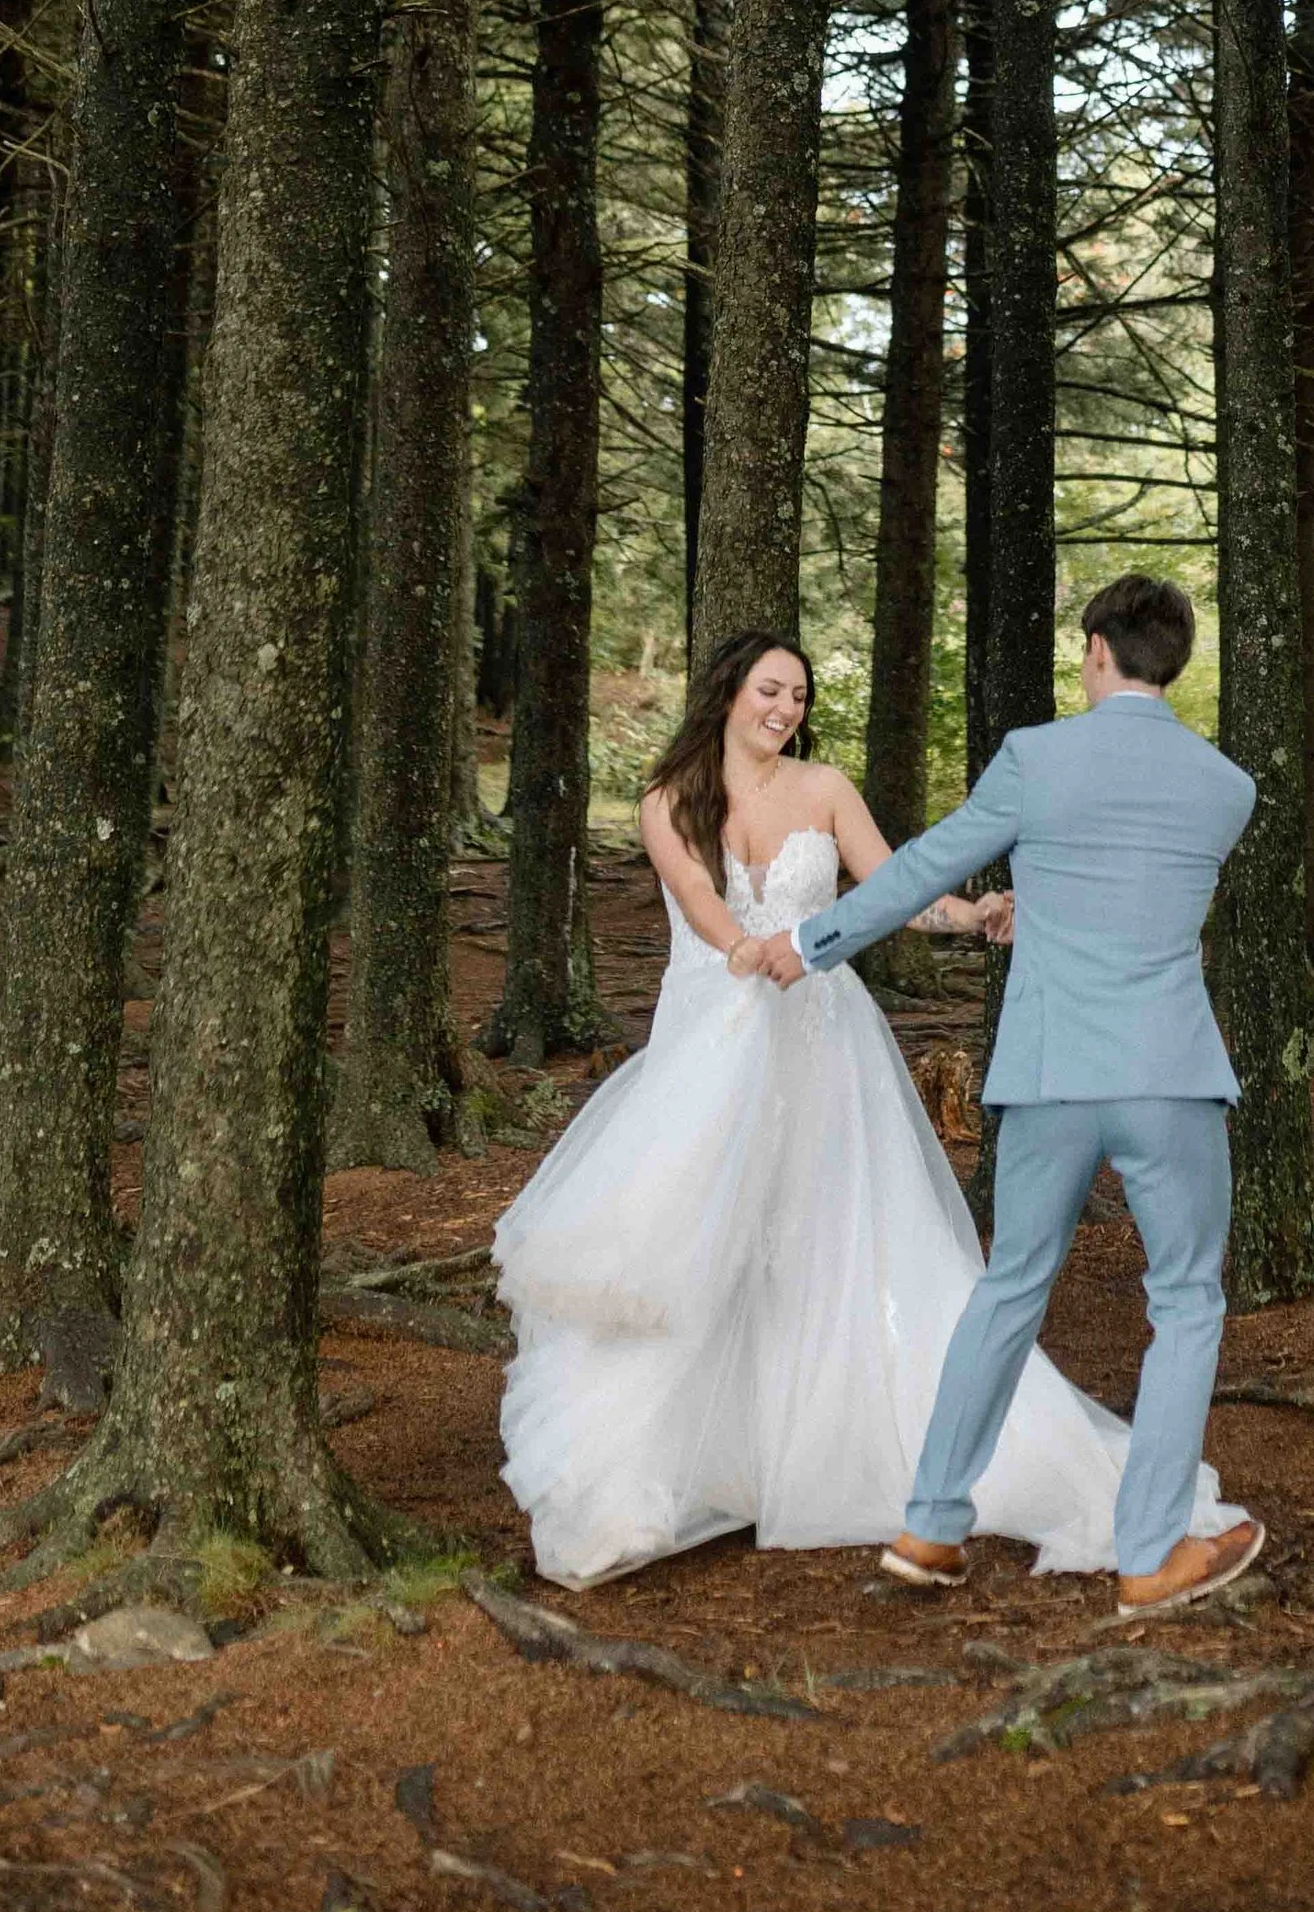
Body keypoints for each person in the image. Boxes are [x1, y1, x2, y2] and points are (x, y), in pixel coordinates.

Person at [489, 626, 1236, 1589]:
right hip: (716, 1032)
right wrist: (757, 953)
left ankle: (838, 1462)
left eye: (798, 696)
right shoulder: (666, 800)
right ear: (728, 693)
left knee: (829, 1236)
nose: (784, 709)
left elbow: (899, 883)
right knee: (695, 1247)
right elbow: (702, 903)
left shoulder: (826, 788)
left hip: (820, 1039)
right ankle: (672, 1468)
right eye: (769, 690)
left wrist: (973, 916)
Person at [745, 570, 1268, 1620]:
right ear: (1175, 663)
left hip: (1050, 1075)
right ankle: (1151, 1551)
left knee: (1009, 1290)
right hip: (1169, 1073)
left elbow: (918, 869)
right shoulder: (1227, 786)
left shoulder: (1036, 758)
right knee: (1186, 1301)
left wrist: (809, 943)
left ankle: (930, 1528)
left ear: (1095, 652)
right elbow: (1141, 887)